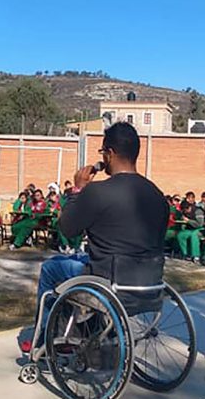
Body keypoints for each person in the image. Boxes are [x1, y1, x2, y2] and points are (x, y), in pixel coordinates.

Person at [23, 122, 168, 351]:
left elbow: (68, 228)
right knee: (82, 259)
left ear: (109, 154)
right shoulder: (157, 194)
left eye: (103, 151)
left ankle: (44, 340)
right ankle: (84, 331)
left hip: (109, 281)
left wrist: (78, 191)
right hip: (148, 283)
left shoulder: (98, 191)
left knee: (52, 268)